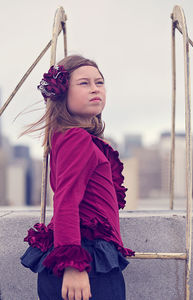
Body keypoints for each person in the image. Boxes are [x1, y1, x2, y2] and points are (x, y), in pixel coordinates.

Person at [20, 55, 135, 300]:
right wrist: (73, 265)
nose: (95, 89)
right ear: (62, 93)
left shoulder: (68, 137)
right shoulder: (76, 139)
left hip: (87, 254)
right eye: (84, 83)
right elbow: (66, 201)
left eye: (100, 82)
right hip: (84, 260)